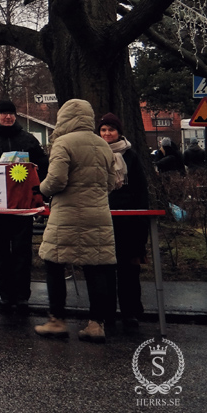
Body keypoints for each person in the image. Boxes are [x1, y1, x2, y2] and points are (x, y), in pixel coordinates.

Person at [34, 99, 117, 343]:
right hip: (98, 213)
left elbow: (56, 181)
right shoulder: (102, 145)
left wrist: (40, 188)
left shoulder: (63, 143)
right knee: (96, 267)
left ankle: (57, 320)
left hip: (67, 214)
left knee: (53, 263)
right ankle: (95, 324)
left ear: (65, 118)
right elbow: (111, 182)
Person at [0, 99, 49, 313]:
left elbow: (43, 167)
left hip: (22, 208)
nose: (8, 117)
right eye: (3, 113)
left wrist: (38, 190)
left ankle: (22, 296)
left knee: (22, 252)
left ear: (15, 116)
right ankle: (5, 295)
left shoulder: (28, 140)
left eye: (11, 113)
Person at [98, 112, 149, 331]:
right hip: (102, 218)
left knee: (128, 269)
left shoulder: (131, 156)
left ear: (119, 132)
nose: (107, 133)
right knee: (105, 268)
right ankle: (106, 312)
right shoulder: (95, 154)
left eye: (111, 129)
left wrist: (141, 217)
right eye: (103, 130)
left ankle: (130, 312)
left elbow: (141, 189)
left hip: (128, 220)